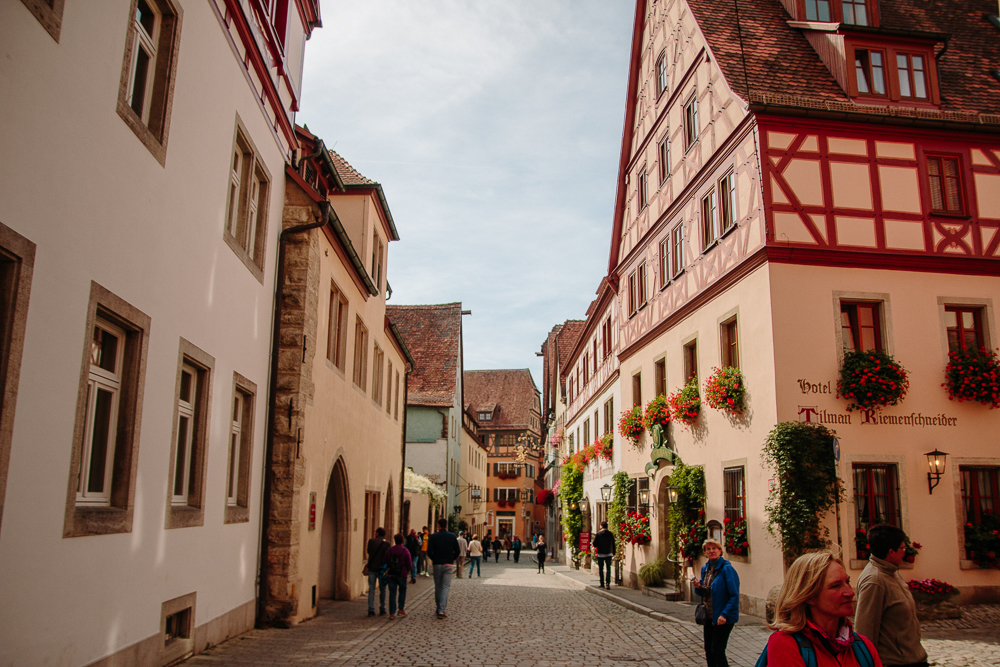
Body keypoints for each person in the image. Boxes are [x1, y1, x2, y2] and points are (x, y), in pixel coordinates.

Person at [759, 551, 882, 667]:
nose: (850, 592)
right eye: (836, 586)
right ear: (809, 595)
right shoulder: (785, 644)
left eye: (847, 581)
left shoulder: (863, 647)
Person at [855, 524, 928, 667]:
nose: (905, 552)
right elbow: (865, 632)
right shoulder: (874, 580)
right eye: (902, 548)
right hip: (895, 663)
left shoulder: (891, 572)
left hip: (914, 659)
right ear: (891, 552)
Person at [692, 538, 740, 667]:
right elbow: (706, 592)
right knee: (708, 650)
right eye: (708, 549)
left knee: (717, 650)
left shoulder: (727, 569)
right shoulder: (705, 569)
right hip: (709, 616)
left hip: (723, 617)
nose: (711, 551)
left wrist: (724, 614)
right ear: (705, 553)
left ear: (720, 551)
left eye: (714, 548)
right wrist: (698, 587)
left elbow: (734, 595)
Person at [427, 518, 460, 618]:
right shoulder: (452, 536)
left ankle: (438, 607)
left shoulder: (434, 536)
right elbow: (457, 551)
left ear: (438, 526)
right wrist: (451, 559)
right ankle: (442, 610)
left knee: (438, 586)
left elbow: (429, 551)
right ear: (446, 525)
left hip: (437, 564)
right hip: (448, 564)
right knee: (445, 587)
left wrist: (434, 559)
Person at [385, 533, 412, 620]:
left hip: (391, 574)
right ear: (402, 540)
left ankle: (392, 613)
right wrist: (407, 571)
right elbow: (409, 563)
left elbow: (384, 560)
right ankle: (401, 609)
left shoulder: (389, 550)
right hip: (402, 574)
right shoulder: (405, 551)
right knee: (402, 591)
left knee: (392, 593)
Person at [365, 527, 390, 617]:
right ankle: (382, 608)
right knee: (382, 589)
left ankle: (371, 609)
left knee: (371, 589)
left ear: (377, 534)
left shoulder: (371, 541)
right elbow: (388, 556)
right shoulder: (387, 544)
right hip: (381, 569)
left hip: (372, 568)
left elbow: (368, 551)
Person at [593, 521, 616, 590]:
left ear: (601, 526)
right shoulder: (610, 534)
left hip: (600, 554)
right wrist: (613, 552)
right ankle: (607, 583)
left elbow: (594, 544)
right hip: (608, 553)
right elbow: (613, 544)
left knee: (601, 569)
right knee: (608, 569)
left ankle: (602, 583)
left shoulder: (598, 534)